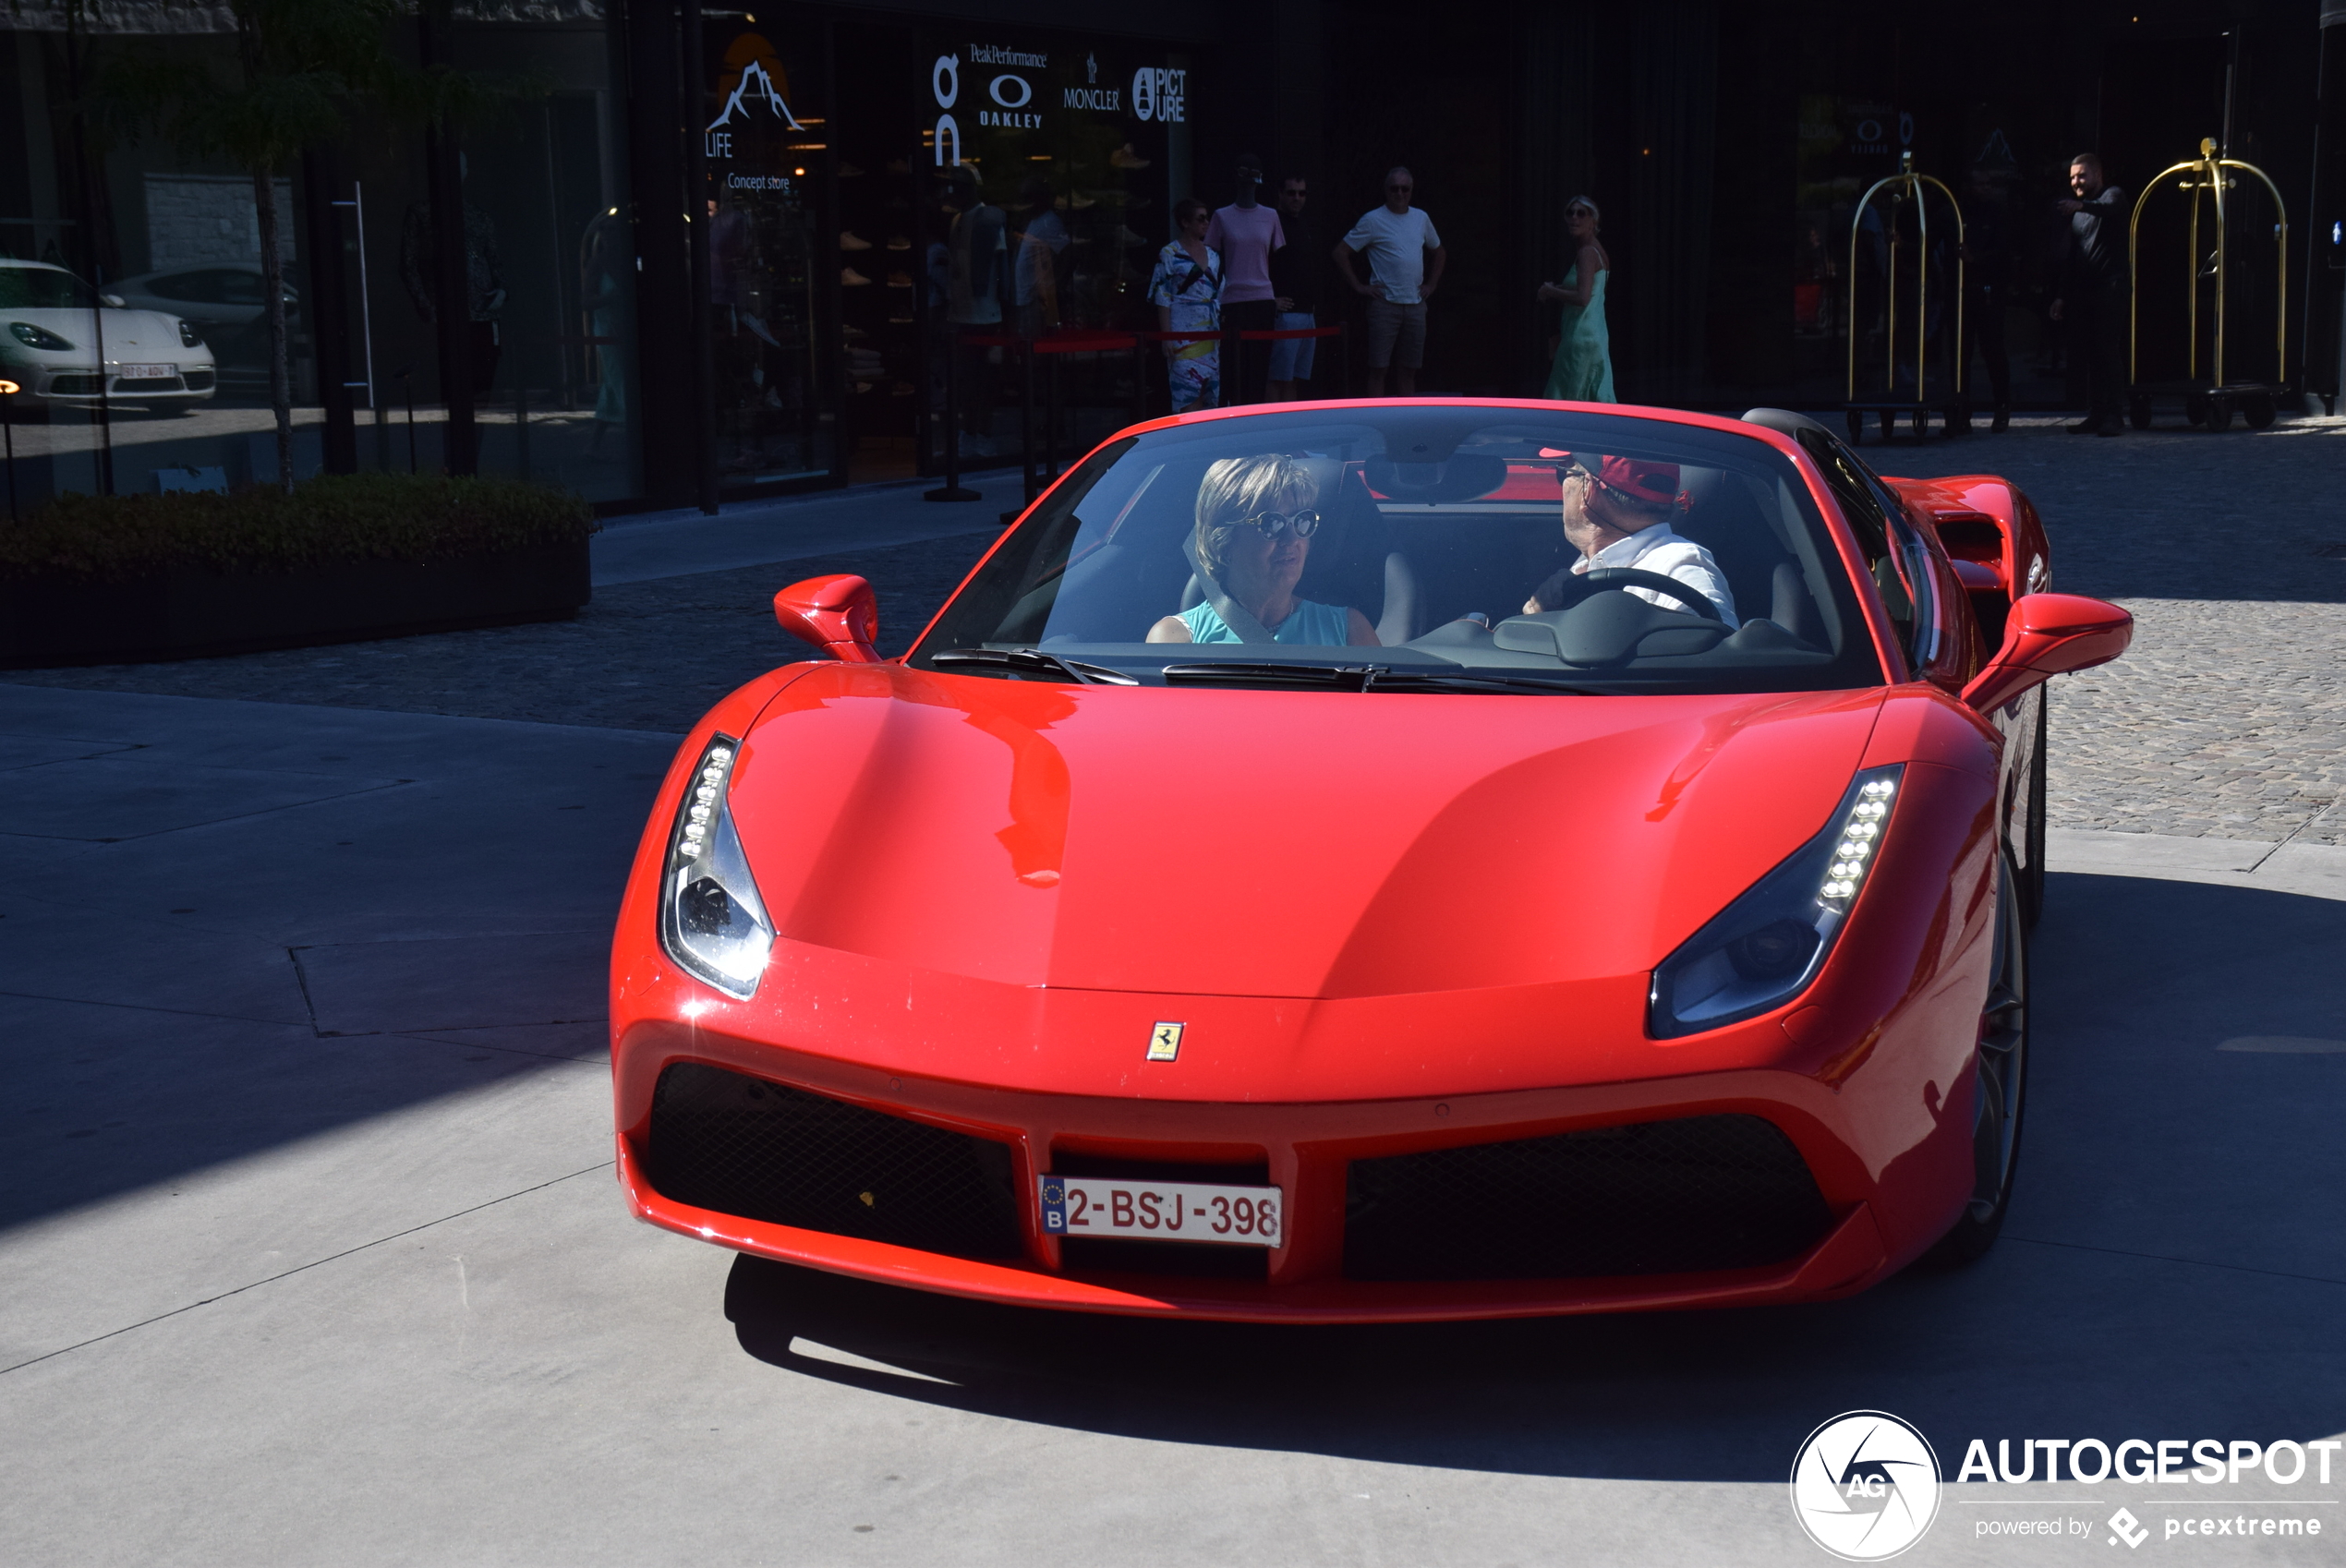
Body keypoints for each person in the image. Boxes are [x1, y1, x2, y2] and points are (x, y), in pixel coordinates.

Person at [1147, 454, 1379, 645]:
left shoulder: (1350, 631)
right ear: (1224, 541)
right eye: (1272, 523)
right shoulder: (1175, 639)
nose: (1292, 538)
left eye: (1302, 521)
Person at [1522, 456, 1738, 626]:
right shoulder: (1593, 560)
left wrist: (1617, 617)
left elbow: (1721, 659)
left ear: (1588, 489)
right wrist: (1542, 620)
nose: (1562, 486)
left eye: (1564, 473)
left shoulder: (1683, 565)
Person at [1334, 167, 1445, 394]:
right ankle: (1378, 419)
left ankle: (1406, 421)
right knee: (1379, 368)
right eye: (1394, 189)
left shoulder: (1421, 218)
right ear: (1386, 190)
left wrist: (1431, 285)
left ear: (1412, 191)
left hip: (1415, 304)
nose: (1400, 193)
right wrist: (1359, 286)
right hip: (1385, 305)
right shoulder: (1373, 220)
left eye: (1405, 189)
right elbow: (1340, 252)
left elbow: (1439, 251)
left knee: (1409, 369)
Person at [2049, 152, 2127, 437]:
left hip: (2110, 287)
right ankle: (2097, 412)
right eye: (2072, 177)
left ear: (2098, 175)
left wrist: (2080, 204)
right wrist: (2061, 295)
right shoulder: (2077, 213)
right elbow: (2073, 258)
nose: (2076, 181)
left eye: (2082, 175)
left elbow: (2108, 208)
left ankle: (2115, 414)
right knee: (2089, 353)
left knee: (2108, 350)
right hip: (2084, 290)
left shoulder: (2113, 196)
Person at [1206, 154, 1285, 403]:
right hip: (1233, 300)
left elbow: (1278, 254)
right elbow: (1213, 257)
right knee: (1234, 369)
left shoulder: (1271, 216)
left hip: (1262, 299)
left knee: (1259, 369)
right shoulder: (1221, 216)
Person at [1149, 197, 1224, 413]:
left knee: (1208, 390)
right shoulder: (1169, 254)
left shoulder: (1213, 255)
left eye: (1207, 218)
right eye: (1200, 219)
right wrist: (1167, 337)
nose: (1206, 223)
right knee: (1186, 389)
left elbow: (1220, 291)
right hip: (1181, 331)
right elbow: (1162, 295)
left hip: (1210, 330)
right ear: (1185, 222)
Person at [1537, 196, 1614, 402]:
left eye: (1581, 213)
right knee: (1591, 400)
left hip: (1580, 338)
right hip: (1594, 336)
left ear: (1593, 221)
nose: (1574, 218)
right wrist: (1557, 288)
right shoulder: (1596, 251)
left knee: (1567, 402)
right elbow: (1588, 290)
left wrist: (1550, 291)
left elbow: (1583, 297)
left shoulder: (1588, 253)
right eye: (1570, 213)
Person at [1961, 165, 2018, 432]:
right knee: (1961, 351)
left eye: (1988, 184)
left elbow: (2004, 251)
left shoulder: (1997, 213)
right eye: (1980, 183)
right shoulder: (1959, 211)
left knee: (1993, 349)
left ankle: (2002, 406)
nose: (1986, 188)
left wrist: (1977, 260)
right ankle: (1960, 411)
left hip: (1989, 288)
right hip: (1963, 289)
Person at [1265, 173, 1321, 402]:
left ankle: (1287, 430)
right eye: (1291, 193)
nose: (1297, 198)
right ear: (1280, 194)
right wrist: (1270, 299)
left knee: (1295, 379)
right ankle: (1271, 428)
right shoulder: (1272, 222)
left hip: (1307, 313)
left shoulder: (1304, 224)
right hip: (1285, 314)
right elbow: (1259, 263)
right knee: (1279, 379)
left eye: (1301, 193)